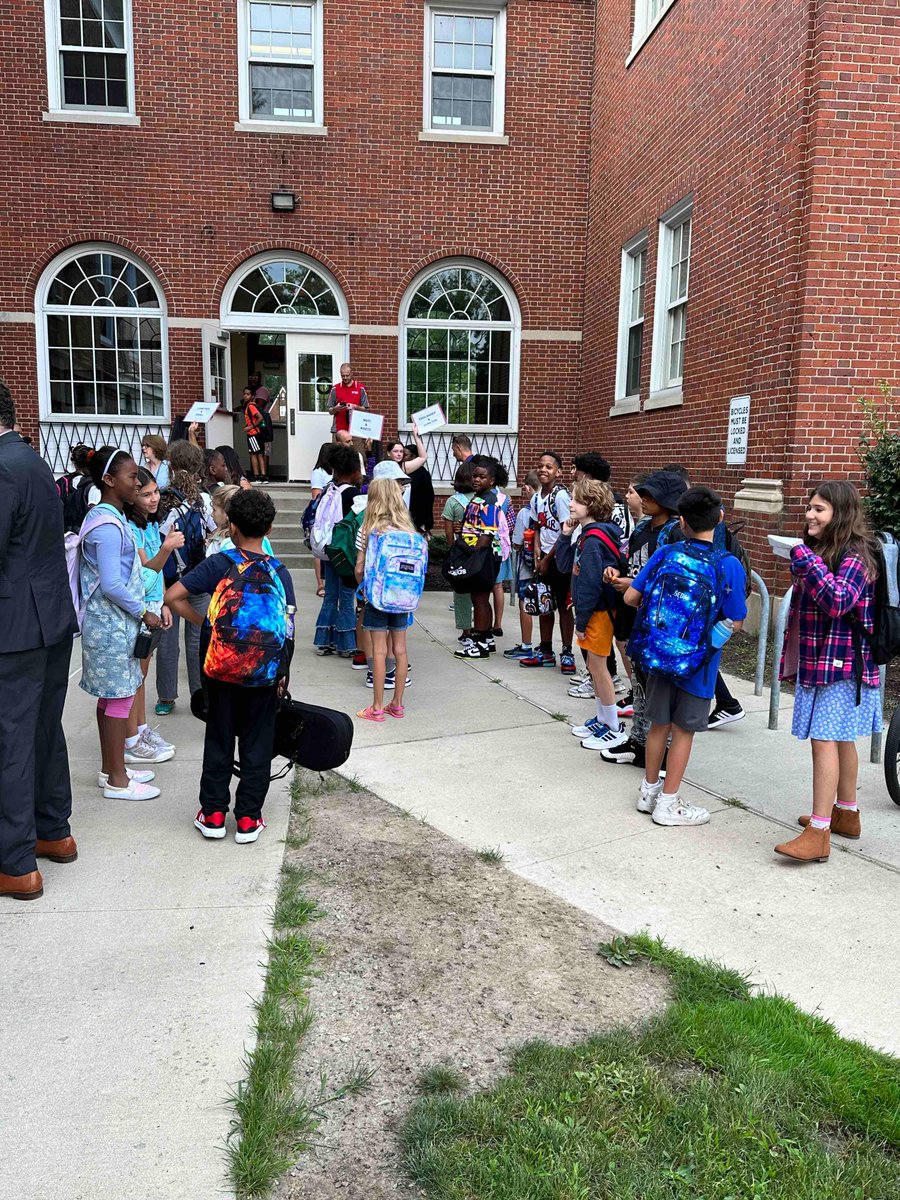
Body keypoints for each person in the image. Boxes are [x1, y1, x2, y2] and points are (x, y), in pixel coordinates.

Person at [165, 488, 294, 844]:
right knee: (257, 744)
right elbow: (287, 630)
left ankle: (214, 814)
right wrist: (282, 673)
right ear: (268, 528)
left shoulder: (219, 564)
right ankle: (250, 818)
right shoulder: (280, 573)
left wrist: (204, 622)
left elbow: (172, 596)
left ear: (232, 527)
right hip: (264, 676)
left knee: (219, 738)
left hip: (218, 670)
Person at [619, 485, 747, 827]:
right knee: (683, 731)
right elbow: (736, 620)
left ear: (682, 522)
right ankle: (669, 802)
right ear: (720, 519)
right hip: (698, 665)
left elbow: (631, 597)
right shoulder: (728, 564)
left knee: (658, 724)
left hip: (658, 656)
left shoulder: (667, 553)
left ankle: (649, 792)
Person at [773, 482, 881, 863]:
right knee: (840, 740)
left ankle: (818, 831)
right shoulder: (829, 552)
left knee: (824, 741)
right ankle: (846, 814)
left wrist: (806, 560)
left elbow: (838, 602)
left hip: (843, 666)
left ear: (841, 513)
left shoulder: (855, 555)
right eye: (809, 508)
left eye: (819, 509)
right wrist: (804, 563)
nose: (809, 515)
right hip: (827, 661)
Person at [0, 384, 79, 901]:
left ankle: (14, 861)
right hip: (48, 618)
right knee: (43, 729)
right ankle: (54, 831)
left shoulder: (5, 466)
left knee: (13, 738)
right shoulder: (31, 459)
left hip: (17, 626)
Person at [78, 447, 164, 804]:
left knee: (111, 699)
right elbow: (113, 584)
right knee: (118, 699)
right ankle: (117, 778)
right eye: (131, 477)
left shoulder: (105, 517)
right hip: (112, 628)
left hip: (109, 627)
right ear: (110, 481)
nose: (138, 481)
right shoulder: (109, 527)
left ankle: (111, 768)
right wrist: (144, 610)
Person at [599, 470, 687, 768]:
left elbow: (677, 583)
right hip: (637, 617)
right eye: (643, 494)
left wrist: (635, 587)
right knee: (637, 682)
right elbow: (630, 563)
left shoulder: (675, 533)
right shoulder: (642, 527)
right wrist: (618, 574)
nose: (643, 499)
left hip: (660, 624)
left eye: (650, 495)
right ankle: (638, 742)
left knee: (659, 689)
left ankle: (661, 752)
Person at [556, 480, 629, 752]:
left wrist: (580, 622)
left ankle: (612, 726)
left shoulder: (595, 539)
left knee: (599, 669)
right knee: (594, 669)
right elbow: (565, 566)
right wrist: (565, 535)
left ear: (591, 505)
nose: (571, 505)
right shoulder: (588, 534)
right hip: (595, 610)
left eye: (576, 500)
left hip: (596, 611)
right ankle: (602, 718)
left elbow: (588, 585)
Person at [122, 467, 183, 766]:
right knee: (134, 676)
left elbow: (156, 581)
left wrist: (165, 603)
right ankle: (130, 739)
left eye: (155, 492)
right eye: (146, 494)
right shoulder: (130, 529)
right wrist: (167, 548)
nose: (154, 498)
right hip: (139, 613)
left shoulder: (148, 525)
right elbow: (145, 575)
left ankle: (141, 730)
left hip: (153, 609)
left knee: (141, 675)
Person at [155, 441, 216, 715]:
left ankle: (166, 698)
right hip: (198, 577)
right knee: (198, 638)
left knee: (167, 642)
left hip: (169, 578)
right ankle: (200, 695)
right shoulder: (202, 499)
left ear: (172, 465)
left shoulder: (163, 499)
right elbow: (214, 530)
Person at [354, 478, 420, 721]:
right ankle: (398, 704)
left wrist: (362, 586)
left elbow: (360, 568)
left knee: (379, 651)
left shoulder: (368, 529)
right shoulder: (409, 531)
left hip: (378, 598)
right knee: (401, 650)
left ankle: (377, 707)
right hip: (403, 599)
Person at [519, 452, 574, 672]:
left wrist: (547, 559)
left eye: (549, 467)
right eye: (541, 466)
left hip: (560, 560)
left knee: (563, 606)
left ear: (558, 472)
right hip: (543, 560)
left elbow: (565, 532)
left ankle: (568, 652)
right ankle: (545, 651)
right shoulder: (536, 498)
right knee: (544, 605)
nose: (543, 470)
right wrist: (537, 552)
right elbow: (537, 527)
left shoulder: (560, 496)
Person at [453, 457, 506, 660]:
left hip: (483, 556)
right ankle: (487, 639)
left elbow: (487, 533)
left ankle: (480, 643)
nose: (476, 479)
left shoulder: (490, 501)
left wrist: (474, 557)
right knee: (481, 597)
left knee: (480, 598)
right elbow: (474, 525)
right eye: (475, 475)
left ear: (491, 480)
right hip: (476, 554)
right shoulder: (477, 498)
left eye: (482, 477)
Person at [313, 444, 362, 655]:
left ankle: (324, 640)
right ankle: (346, 643)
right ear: (353, 471)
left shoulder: (328, 489)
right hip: (346, 552)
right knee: (347, 596)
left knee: (330, 595)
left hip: (328, 549)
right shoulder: (353, 494)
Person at [504, 469, 540, 659]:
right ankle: (546, 646)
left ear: (527, 487)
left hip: (527, 567)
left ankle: (526, 645)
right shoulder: (550, 508)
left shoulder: (525, 513)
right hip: (547, 564)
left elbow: (517, 542)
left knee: (524, 603)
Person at [442, 460, 476, 648]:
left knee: (461, 593)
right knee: (480, 594)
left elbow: (448, 533)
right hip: (480, 552)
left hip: (461, 553)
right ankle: (483, 629)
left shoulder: (452, 502)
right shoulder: (484, 499)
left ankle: (466, 632)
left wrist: (451, 549)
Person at [207, 484, 275, 557]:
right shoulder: (262, 541)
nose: (211, 514)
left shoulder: (221, 544)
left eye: (214, 510)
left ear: (226, 514)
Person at [310, 442, 334, 599]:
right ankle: (320, 584)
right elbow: (316, 495)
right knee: (319, 551)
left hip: (334, 515)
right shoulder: (318, 472)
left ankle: (331, 582)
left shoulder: (336, 471)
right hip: (321, 515)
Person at [55, 442, 95, 533]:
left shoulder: (61, 482)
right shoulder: (94, 485)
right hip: (85, 535)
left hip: (64, 535)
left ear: (74, 461)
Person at [327, 363, 369, 438]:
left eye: (347, 375)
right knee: (337, 450)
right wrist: (336, 408)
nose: (345, 378)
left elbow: (366, 410)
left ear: (352, 373)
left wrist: (355, 407)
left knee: (357, 450)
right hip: (338, 430)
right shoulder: (335, 389)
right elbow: (330, 411)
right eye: (343, 376)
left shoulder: (360, 388)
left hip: (356, 430)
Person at [241, 387, 268, 482]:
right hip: (256, 433)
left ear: (252, 396)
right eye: (244, 393)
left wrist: (250, 427)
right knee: (258, 454)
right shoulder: (252, 405)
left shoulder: (250, 406)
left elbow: (260, 418)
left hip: (253, 434)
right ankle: (262, 475)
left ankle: (258, 476)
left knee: (254, 454)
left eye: (248, 394)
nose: (245, 396)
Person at [249, 373, 273, 478]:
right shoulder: (255, 391)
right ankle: (259, 474)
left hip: (263, 424)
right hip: (257, 424)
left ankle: (264, 474)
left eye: (255, 377)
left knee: (264, 450)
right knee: (258, 450)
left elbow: (259, 405)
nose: (253, 379)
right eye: (251, 377)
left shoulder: (262, 391)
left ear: (260, 378)